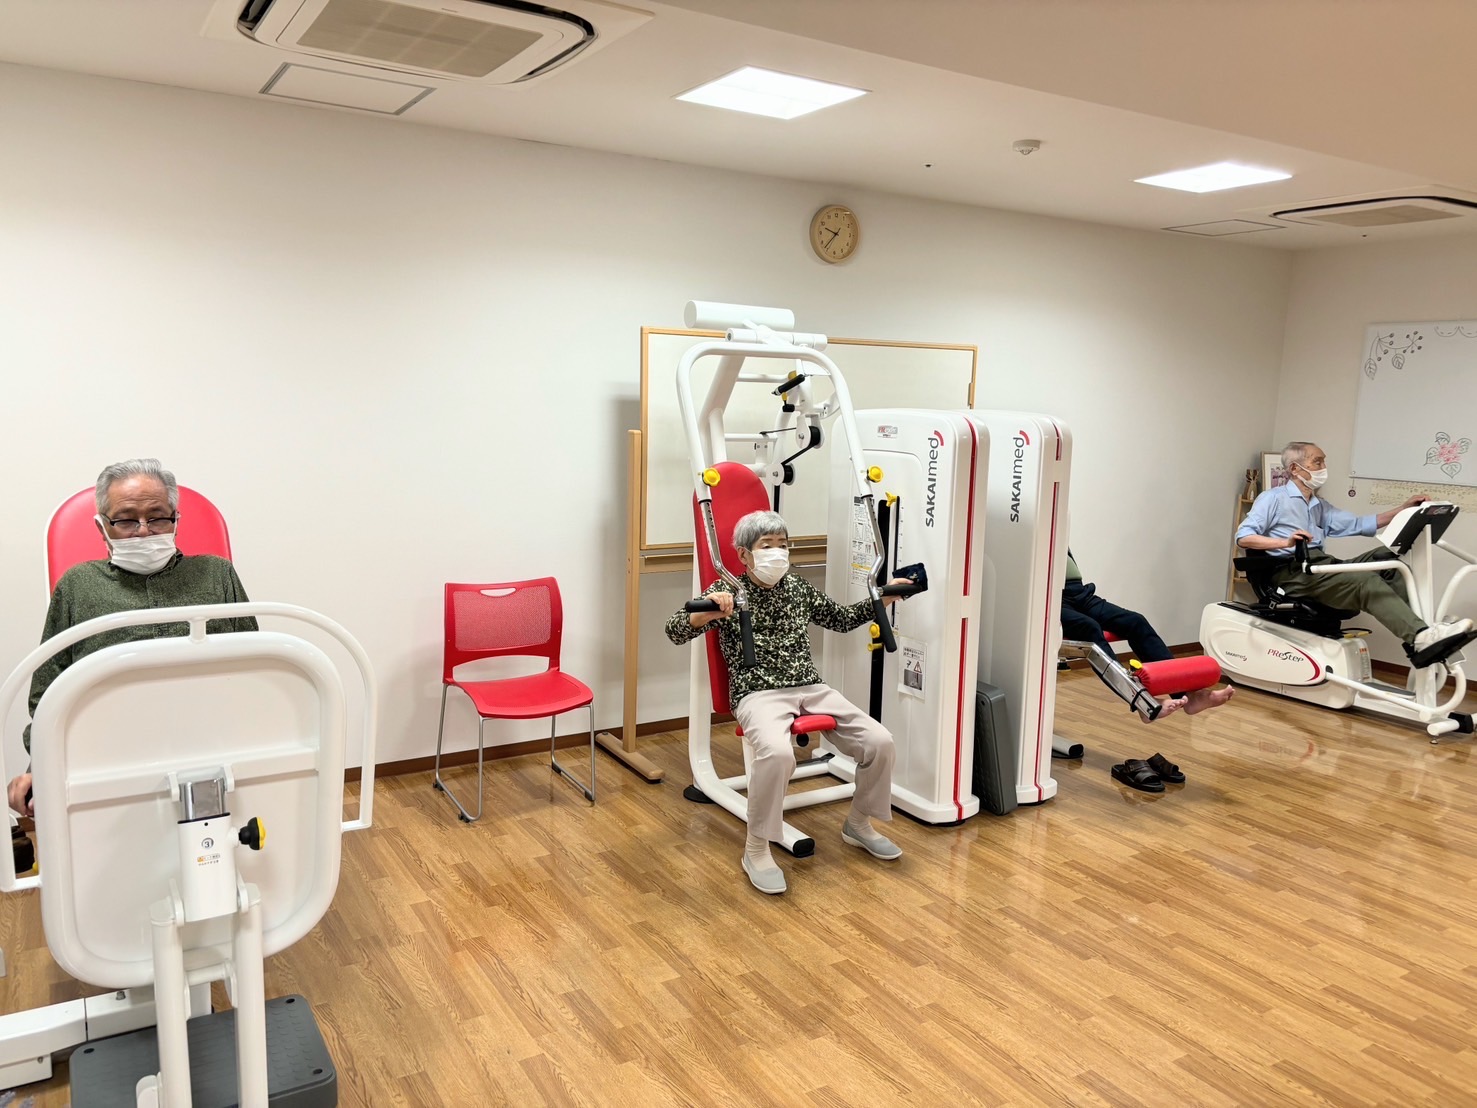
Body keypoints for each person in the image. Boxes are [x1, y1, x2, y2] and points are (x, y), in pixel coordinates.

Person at [665, 510, 909, 895]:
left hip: (810, 686)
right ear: (744, 554)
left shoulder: (797, 587)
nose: (777, 552)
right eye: (767, 546)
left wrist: (886, 596)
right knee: (779, 755)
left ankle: (859, 824)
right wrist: (706, 610)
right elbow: (674, 630)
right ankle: (756, 849)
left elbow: (842, 619)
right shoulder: (728, 590)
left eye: (783, 544)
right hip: (757, 691)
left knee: (880, 742)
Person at [6, 459, 257, 818]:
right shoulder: (78, 586)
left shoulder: (217, 574)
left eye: (157, 517)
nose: (143, 531)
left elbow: (256, 669)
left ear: (176, 520)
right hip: (109, 759)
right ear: (102, 527)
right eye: (125, 520)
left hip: (213, 749)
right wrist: (39, 767)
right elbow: (48, 693)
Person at [1236, 442, 1470, 663]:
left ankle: (1428, 632)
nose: (1323, 467)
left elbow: (1360, 523)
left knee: (1387, 559)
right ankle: (1421, 638)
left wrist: (1403, 509)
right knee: (1365, 582)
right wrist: (1285, 542)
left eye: (1324, 462)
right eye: (1317, 462)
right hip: (1293, 572)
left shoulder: (1318, 505)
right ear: (1295, 469)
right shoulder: (1273, 498)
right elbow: (1244, 537)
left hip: (1320, 565)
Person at [1060, 550, 1233, 791]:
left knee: (1135, 621)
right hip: (1048, 596)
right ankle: (1145, 704)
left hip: (1079, 593)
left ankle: (1189, 696)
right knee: (1089, 628)